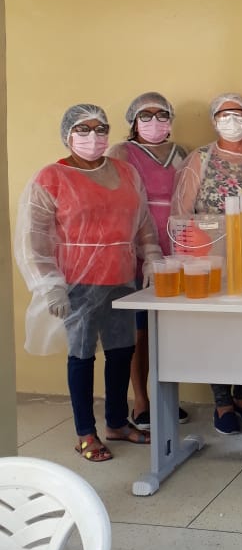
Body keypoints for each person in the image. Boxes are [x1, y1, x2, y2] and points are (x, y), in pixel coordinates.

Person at [15, 103, 163, 461]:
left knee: (121, 352)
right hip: (77, 283)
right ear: (67, 134)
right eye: (83, 129)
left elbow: (142, 220)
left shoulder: (125, 172)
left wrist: (152, 255)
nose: (93, 137)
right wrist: (49, 284)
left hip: (121, 278)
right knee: (81, 356)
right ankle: (85, 433)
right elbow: (35, 239)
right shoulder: (51, 178)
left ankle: (117, 422)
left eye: (100, 129)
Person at [171, 93, 242, 434]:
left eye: (239, 113)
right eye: (224, 114)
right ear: (214, 120)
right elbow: (181, 210)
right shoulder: (201, 158)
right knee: (218, 328)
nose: (232, 120)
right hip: (209, 252)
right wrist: (184, 258)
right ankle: (222, 401)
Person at [109, 91, 188, 431]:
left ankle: (166, 396)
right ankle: (141, 400)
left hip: (177, 243)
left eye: (161, 115)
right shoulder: (122, 153)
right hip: (138, 245)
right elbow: (116, 201)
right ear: (133, 121)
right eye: (146, 115)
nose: (154, 122)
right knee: (140, 329)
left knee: (169, 327)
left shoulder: (181, 153)